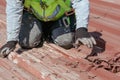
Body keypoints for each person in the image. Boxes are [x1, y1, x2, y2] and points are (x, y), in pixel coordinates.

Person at [0, 0, 96, 58]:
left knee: (66, 42)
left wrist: (81, 29)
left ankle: (50, 31)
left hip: (58, 16)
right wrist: (11, 40)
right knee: (27, 43)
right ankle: (41, 31)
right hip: (33, 15)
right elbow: (14, 10)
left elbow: (80, 2)